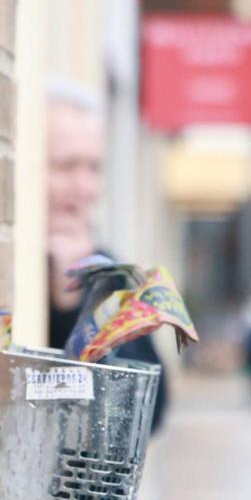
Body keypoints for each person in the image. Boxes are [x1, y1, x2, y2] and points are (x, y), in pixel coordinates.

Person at [45, 81, 169, 431]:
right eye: (66, 166)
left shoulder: (111, 274)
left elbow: (150, 411)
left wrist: (73, 302)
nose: (85, 189)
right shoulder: (7, 262)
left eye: (94, 168)